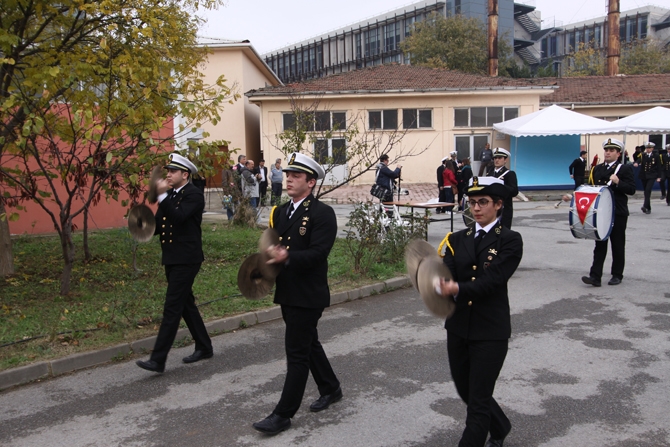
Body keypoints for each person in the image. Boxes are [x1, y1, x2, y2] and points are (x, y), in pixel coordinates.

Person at [253, 153, 341, 436]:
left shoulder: (322, 213)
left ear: (311, 182)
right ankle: (331, 387)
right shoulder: (280, 212)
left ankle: (282, 414)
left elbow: (318, 254)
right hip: (287, 292)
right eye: (287, 174)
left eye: (296, 176)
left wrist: (286, 256)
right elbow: (272, 249)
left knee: (297, 353)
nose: (288, 179)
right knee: (308, 343)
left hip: (308, 294)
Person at [437, 176, 523, 447]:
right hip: (459, 326)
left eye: (483, 202)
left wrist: (456, 289)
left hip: (490, 330)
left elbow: (492, 281)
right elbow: (446, 274)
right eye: (472, 202)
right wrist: (436, 282)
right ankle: (500, 426)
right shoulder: (455, 238)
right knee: (466, 390)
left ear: (498, 205)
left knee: (478, 400)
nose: (476, 208)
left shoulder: (510, 240)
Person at [136, 153, 213, 373]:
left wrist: (161, 196)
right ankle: (204, 346)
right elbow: (161, 225)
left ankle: (158, 359)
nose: (168, 174)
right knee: (185, 304)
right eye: (167, 171)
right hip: (171, 257)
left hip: (187, 259)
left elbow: (179, 217)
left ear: (185, 174)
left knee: (172, 307)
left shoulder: (194, 195)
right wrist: (142, 225)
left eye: (172, 171)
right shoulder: (169, 196)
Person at [582, 138, 636, 287]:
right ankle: (595, 276)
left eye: (612, 150)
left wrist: (619, 182)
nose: (608, 153)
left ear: (618, 154)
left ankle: (617, 274)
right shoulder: (597, 169)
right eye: (606, 150)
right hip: (601, 212)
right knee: (600, 245)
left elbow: (632, 190)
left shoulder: (624, 169)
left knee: (617, 244)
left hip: (617, 212)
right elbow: (591, 188)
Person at [486, 148, 518, 229]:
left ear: (505, 160)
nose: (497, 160)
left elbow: (514, 191)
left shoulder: (509, 174)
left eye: (500, 158)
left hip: (504, 209)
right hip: (490, 208)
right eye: (495, 158)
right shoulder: (490, 173)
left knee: (503, 234)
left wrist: (500, 186)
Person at [634, 142, 662, 214]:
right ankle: (648, 208)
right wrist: (636, 163)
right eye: (647, 148)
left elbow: (659, 167)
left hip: (652, 175)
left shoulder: (656, 156)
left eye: (649, 148)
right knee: (646, 192)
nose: (648, 149)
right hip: (644, 175)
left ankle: (645, 206)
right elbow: (639, 160)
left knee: (647, 190)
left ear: (652, 148)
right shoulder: (643, 155)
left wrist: (659, 176)